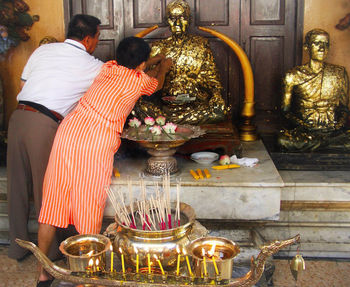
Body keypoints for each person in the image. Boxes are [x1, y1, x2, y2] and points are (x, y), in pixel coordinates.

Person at [36, 36, 172, 285]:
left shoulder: (107, 67)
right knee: (89, 205)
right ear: (141, 65)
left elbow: (133, 65)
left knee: (53, 203)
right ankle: (86, 277)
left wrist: (152, 59)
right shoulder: (141, 81)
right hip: (95, 140)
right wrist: (163, 66)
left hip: (69, 131)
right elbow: (158, 84)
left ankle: (43, 273)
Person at [7, 14, 103, 263]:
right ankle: (49, 253)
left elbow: (23, 85)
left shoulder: (43, 50)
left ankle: (17, 249)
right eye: (97, 38)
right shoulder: (93, 65)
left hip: (17, 117)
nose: (96, 43)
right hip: (44, 123)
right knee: (46, 190)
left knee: (16, 186)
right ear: (88, 39)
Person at [133, 0, 228, 125]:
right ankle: (169, 122)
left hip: (194, 104)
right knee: (137, 107)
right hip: (164, 104)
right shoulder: (159, 47)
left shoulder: (201, 45)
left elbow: (211, 78)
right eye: (172, 19)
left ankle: (165, 123)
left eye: (182, 18)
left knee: (219, 111)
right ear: (168, 21)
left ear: (189, 20)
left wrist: (216, 95)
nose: (177, 23)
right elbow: (149, 80)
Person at [278, 28, 350, 152]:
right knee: (283, 140)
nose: (322, 48)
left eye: (326, 44)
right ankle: (329, 145)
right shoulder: (293, 75)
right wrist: (304, 125)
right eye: (317, 43)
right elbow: (285, 111)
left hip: (333, 131)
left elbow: (343, 108)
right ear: (306, 47)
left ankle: (323, 143)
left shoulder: (339, 73)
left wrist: (339, 124)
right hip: (306, 131)